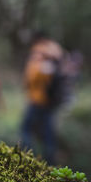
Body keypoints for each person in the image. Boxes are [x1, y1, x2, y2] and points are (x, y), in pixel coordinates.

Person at [20, 34, 64, 164]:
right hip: (48, 102)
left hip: (37, 101)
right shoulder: (54, 55)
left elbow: (31, 79)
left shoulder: (40, 60)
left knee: (26, 129)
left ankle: (28, 158)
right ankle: (49, 161)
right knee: (47, 133)